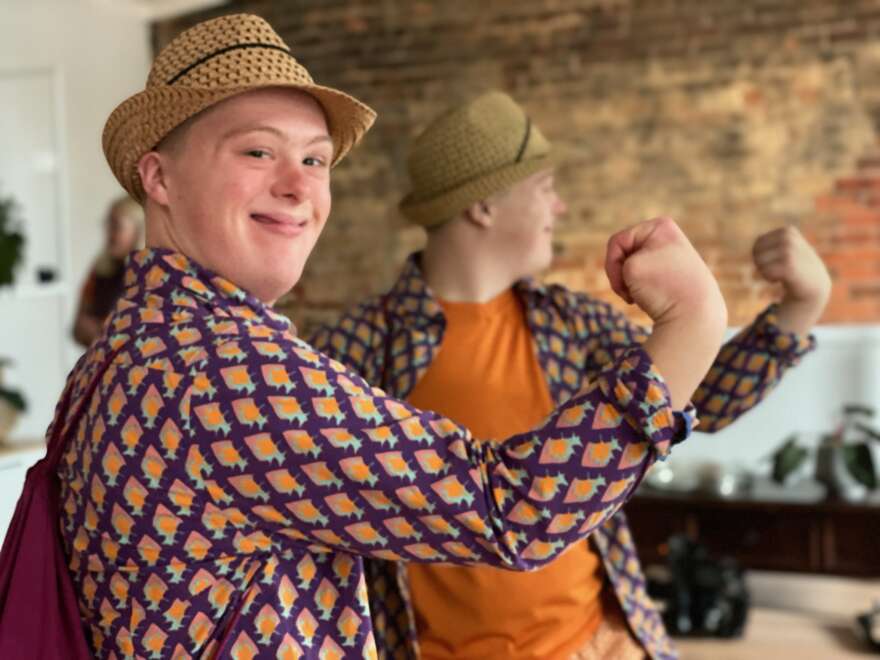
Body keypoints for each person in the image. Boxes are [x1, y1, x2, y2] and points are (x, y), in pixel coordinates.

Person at [0, 14, 732, 660]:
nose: (299, 185)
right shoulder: (225, 368)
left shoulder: (126, 351)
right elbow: (511, 510)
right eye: (257, 152)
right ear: (158, 177)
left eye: (315, 159)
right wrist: (693, 321)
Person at [309, 91, 831, 659]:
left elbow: (697, 395)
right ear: (483, 206)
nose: (559, 209)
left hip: (599, 644)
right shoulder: (356, 349)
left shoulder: (571, 321)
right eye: (544, 189)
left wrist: (797, 310)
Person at [72, 195, 143, 347]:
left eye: (116, 226)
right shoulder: (99, 269)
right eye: (107, 224)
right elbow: (77, 327)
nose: (109, 234)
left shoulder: (148, 276)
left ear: (138, 231)